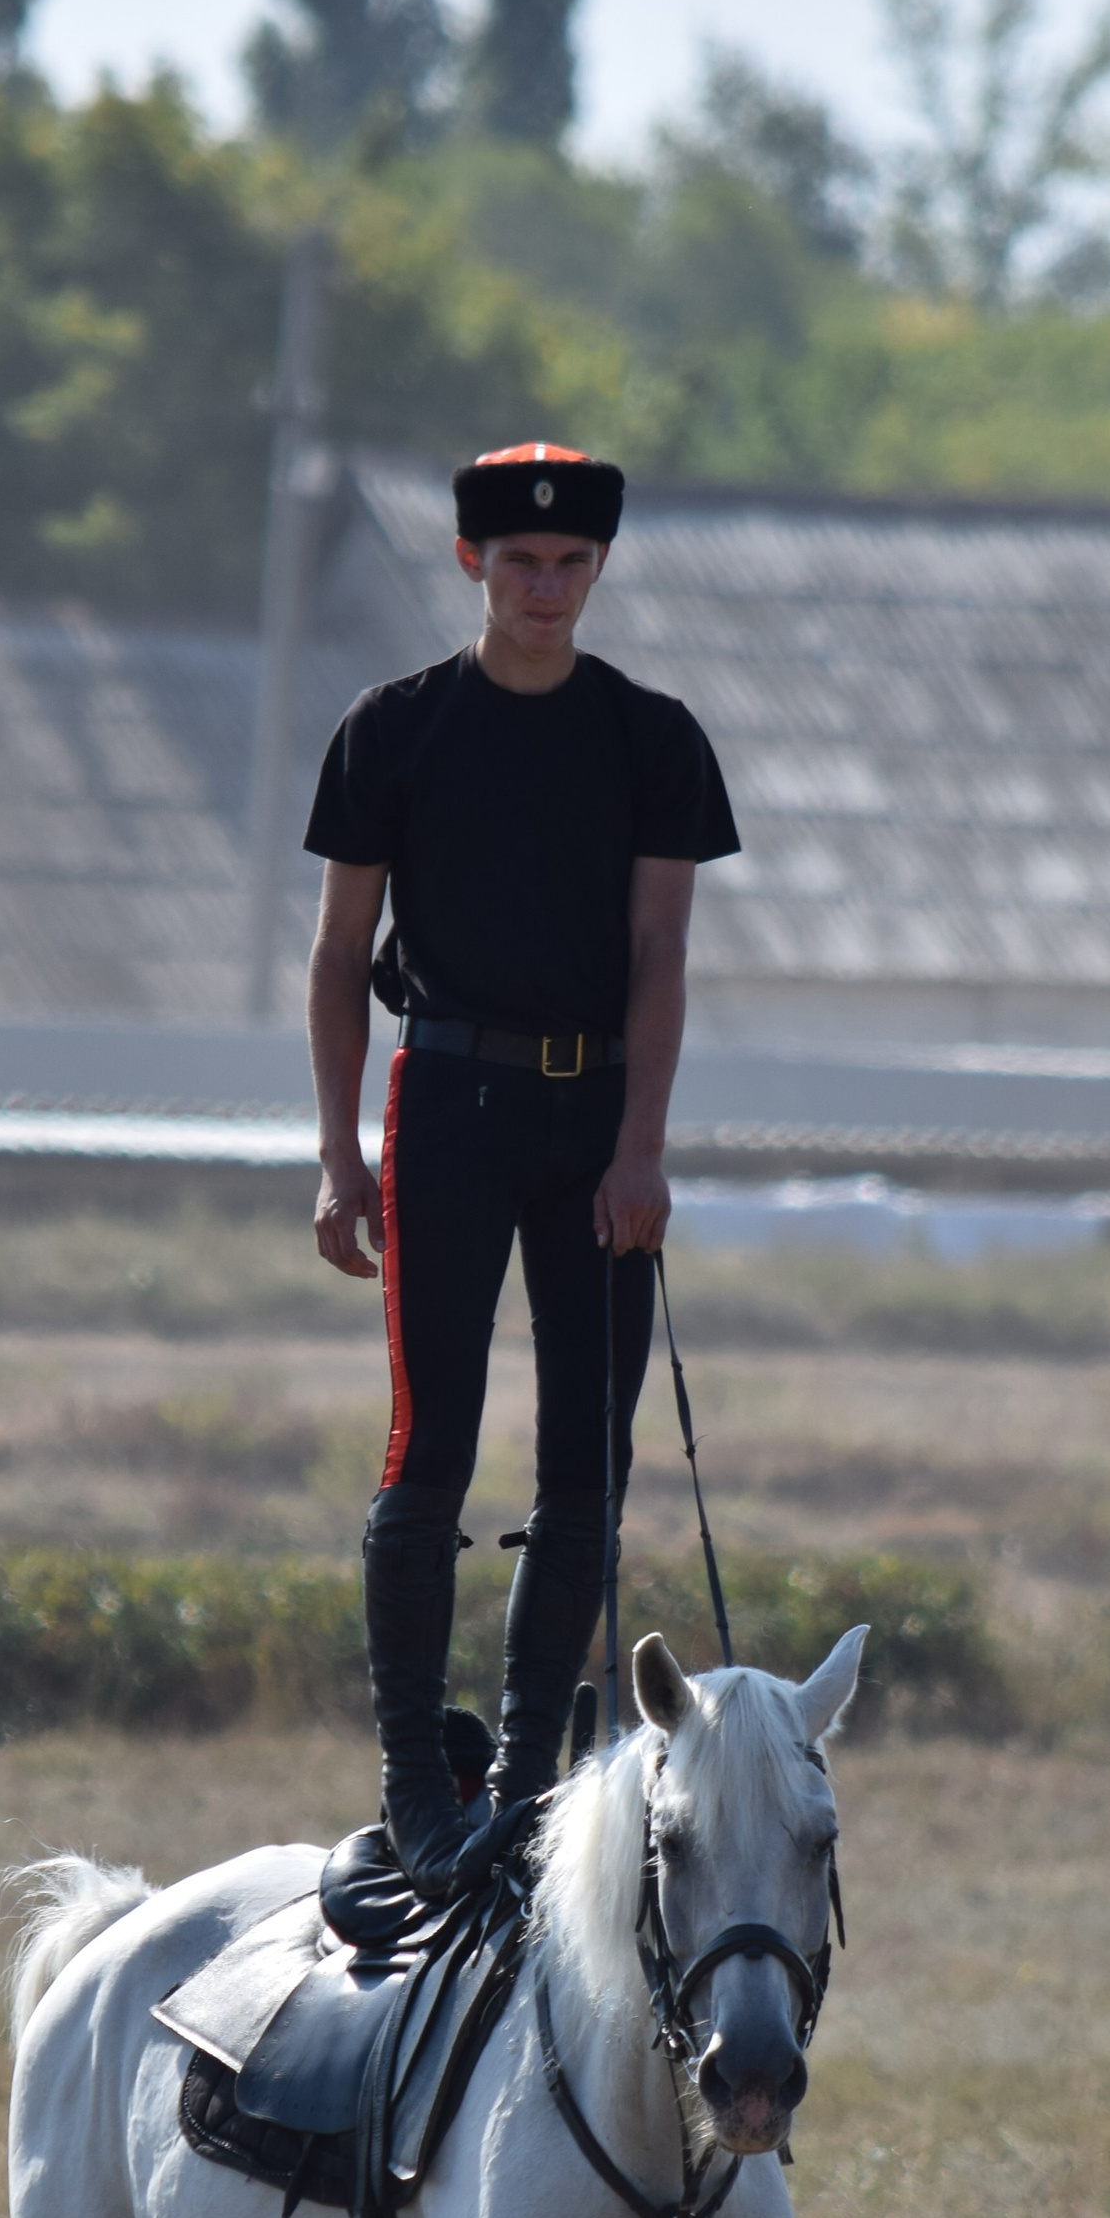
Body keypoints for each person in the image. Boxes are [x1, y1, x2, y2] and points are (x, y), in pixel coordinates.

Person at [304, 441, 740, 1896]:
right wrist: (339, 1156)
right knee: (428, 1444)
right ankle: (414, 1782)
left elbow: (662, 953)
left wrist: (642, 1148)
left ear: (597, 569)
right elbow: (336, 956)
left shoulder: (652, 739)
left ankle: (525, 1777)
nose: (544, 586)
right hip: (445, 1102)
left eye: (568, 564)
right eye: (517, 562)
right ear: (471, 564)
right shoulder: (393, 730)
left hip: (595, 1116)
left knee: (588, 1464)